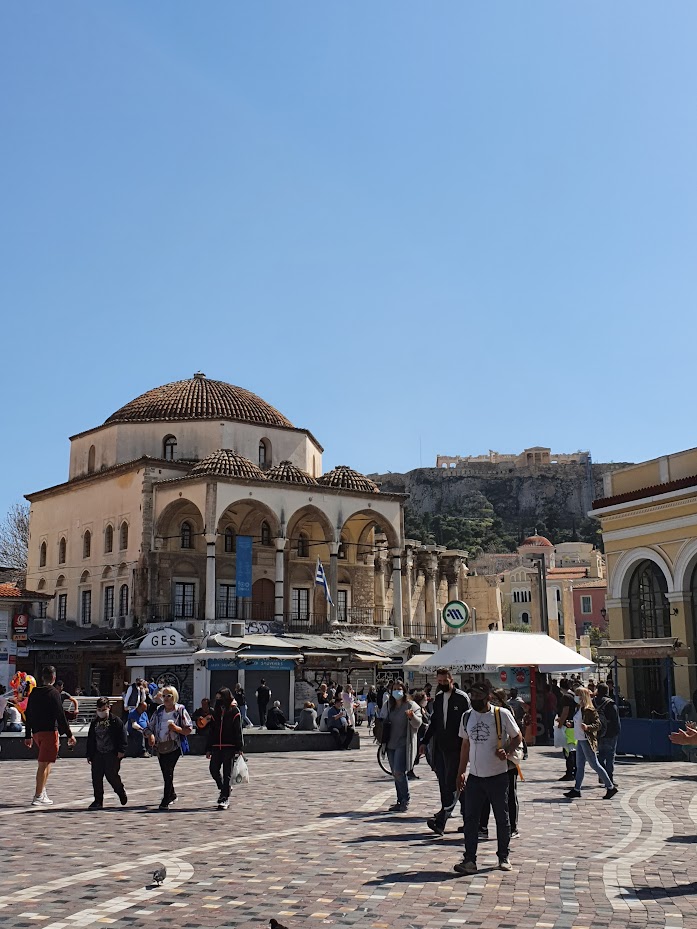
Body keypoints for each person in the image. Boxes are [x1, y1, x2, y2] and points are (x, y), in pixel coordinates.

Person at [453, 679, 522, 875]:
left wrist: (507, 750)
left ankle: (503, 856)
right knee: (471, 819)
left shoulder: (501, 715)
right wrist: (460, 772)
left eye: (479, 696)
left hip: (498, 775)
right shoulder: (467, 717)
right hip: (475, 776)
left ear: (488, 697)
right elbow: (465, 746)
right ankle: (469, 859)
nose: (475, 699)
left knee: (502, 817)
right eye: (472, 695)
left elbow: (518, 736)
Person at [420, 668, 471, 835]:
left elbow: (468, 722)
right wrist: (425, 741)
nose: (442, 684)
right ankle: (465, 819)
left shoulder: (462, 698)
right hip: (440, 748)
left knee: (454, 784)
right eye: (439, 681)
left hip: (457, 748)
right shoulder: (439, 698)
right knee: (445, 785)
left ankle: (443, 820)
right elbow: (435, 722)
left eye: (444, 681)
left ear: (451, 679)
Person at [24, 665, 76, 806]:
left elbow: (28, 714)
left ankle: (42, 789)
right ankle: (38, 795)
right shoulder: (54, 693)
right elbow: (61, 715)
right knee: (43, 764)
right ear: (54, 678)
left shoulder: (34, 692)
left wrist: (27, 735)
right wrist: (70, 734)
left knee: (47, 762)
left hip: (37, 733)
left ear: (42, 678)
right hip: (49, 732)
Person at [478, 688, 523, 840]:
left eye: (495, 697)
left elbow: (516, 736)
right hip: (488, 762)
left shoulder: (505, 712)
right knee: (484, 796)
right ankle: (482, 827)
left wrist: (508, 751)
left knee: (509, 795)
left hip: (507, 761)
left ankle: (512, 827)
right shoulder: (481, 713)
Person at [563, 687, 617, 801]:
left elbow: (597, 725)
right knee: (580, 765)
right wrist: (572, 724)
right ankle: (577, 789)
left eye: (578, 695)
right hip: (580, 739)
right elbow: (579, 722)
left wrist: (587, 727)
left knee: (594, 764)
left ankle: (610, 787)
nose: (576, 697)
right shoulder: (579, 708)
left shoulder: (589, 709)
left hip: (586, 740)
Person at [145, 686, 193, 811]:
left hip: (174, 745)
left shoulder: (180, 710)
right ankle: (172, 794)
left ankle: (165, 800)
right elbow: (149, 726)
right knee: (165, 772)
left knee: (168, 772)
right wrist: (150, 735)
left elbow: (188, 729)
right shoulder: (159, 711)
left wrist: (176, 729)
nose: (166, 699)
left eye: (169, 696)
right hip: (160, 746)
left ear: (174, 697)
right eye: (164, 696)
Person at [379, 680, 422, 813]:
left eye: (399, 688)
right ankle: (399, 799)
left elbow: (418, 723)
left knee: (399, 771)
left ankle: (405, 799)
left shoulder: (411, 705)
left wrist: (412, 716)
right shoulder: (388, 705)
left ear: (404, 690)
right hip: (390, 743)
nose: (397, 691)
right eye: (394, 689)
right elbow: (381, 719)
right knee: (395, 773)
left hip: (403, 743)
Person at [86, 697, 128, 809]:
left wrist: (121, 750)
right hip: (98, 754)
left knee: (112, 776)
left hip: (112, 753)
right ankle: (98, 800)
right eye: (99, 709)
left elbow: (122, 736)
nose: (101, 712)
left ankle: (120, 791)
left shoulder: (115, 721)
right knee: (96, 777)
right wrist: (89, 754)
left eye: (103, 709)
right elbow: (91, 739)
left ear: (109, 708)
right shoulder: (94, 723)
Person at [206, 688, 244, 810]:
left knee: (227, 773)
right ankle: (224, 787)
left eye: (220, 698)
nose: (218, 701)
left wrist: (239, 747)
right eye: (217, 699)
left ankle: (224, 798)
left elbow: (238, 730)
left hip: (229, 746)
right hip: (216, 746)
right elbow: (211, 731)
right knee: (213, 769)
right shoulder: (215, 712)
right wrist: (208, 748)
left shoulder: (234, 711)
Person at [594, 683, 621, 786]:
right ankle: (608, 778)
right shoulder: (610, 703)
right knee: (610, 756)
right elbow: (615, 719)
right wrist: (617, 731)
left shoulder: (593, 702)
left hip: (598, 732)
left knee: (600, 756)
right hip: (610, 733)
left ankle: (602, 775)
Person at [556, 679, 577, 781]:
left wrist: (560, 724)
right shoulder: (573, 695)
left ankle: (569, 772)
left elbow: (565, 711)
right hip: (574, 726)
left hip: (568, 727)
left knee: (568, 750)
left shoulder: (566, 697)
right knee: (573, 750)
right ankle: (575, 771)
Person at [507, 688, 529, 759]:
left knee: (521, 737)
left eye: (513, 692)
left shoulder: (519, 701)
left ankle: (525, 752)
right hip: (510, 722)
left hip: (518, 722)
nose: (512, 693)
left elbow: (526, 709)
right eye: (511, 692)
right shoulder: (508, 701)